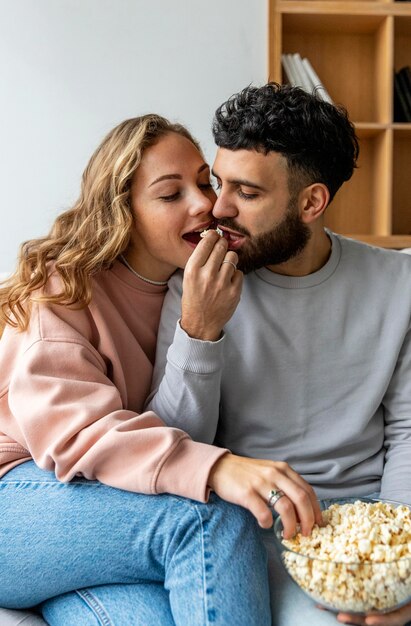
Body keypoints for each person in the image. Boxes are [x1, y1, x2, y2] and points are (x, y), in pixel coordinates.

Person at [0, 113, 325, 626]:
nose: (206, 205)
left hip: (109, 506)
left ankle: (65, 581)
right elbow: (77, 436)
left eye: (204, 182)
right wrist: (217, 467)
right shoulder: (64, 290)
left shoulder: (205, 285)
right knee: (211, 519)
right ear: (121, 211)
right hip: (22, 495)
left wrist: (201, 327)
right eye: (171, 194)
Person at [147, 83, 411, 626]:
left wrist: (394, 563)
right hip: (244, 524)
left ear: (312, 202)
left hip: (368, 523)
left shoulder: (397, 283)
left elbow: (408, 431)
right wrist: (199, 330)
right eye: (220, 183)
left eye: (246, 192)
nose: (215, 209)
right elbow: (175, 445)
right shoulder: (196, 283)